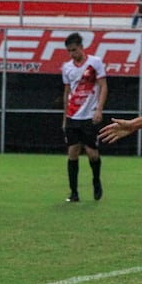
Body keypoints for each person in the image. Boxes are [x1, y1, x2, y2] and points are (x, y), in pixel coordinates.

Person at [61, 32, 107, 203]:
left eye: (74, 50)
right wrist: (65, 117)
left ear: (81, 47)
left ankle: (96, 181)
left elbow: (103, 86)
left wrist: (99, 109)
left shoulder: (94, 63)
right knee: (72, 152)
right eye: (69, 51)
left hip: (89, 116)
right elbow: (67, 92)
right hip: (73, 115)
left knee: (92, 154)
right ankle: (74, 193)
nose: (72, 54)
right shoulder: (67, 67)